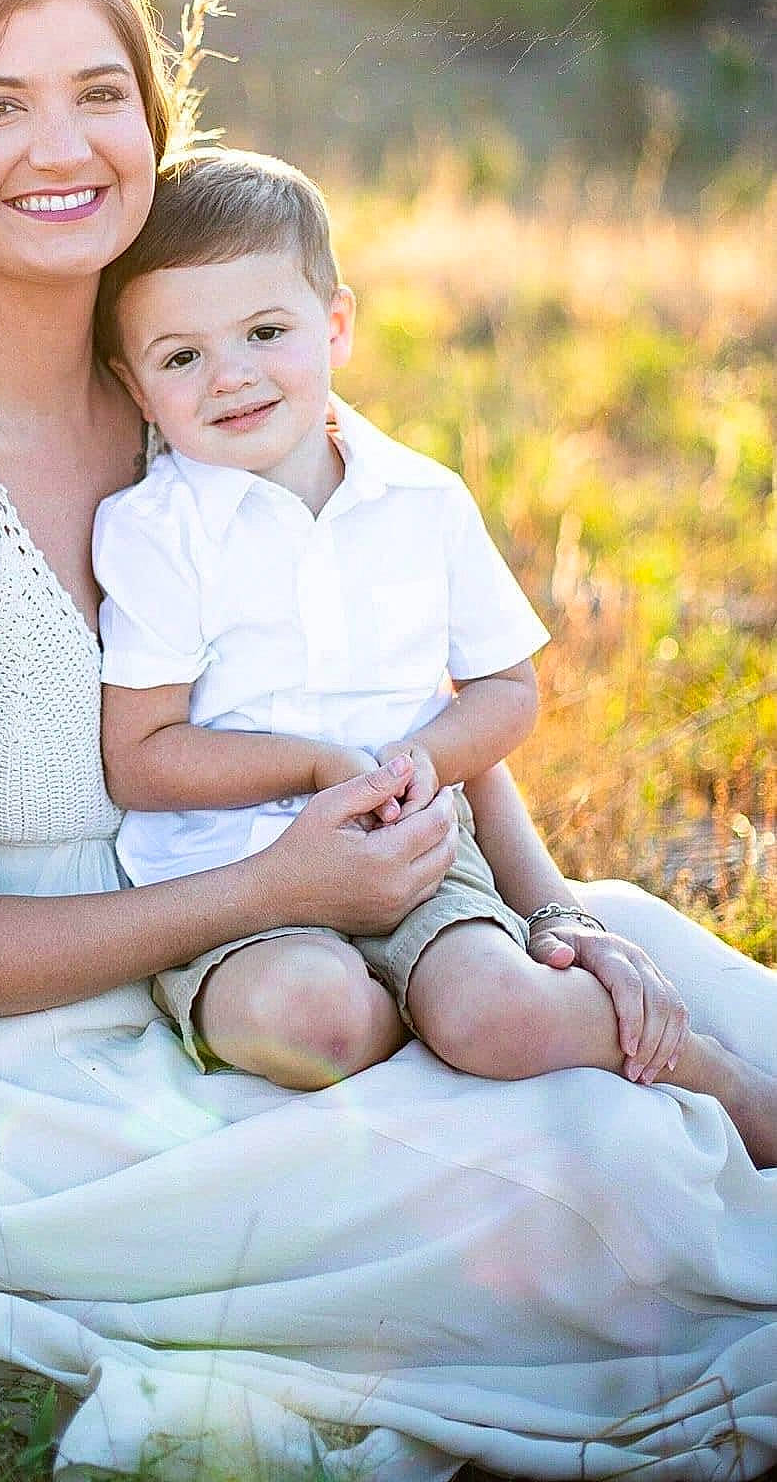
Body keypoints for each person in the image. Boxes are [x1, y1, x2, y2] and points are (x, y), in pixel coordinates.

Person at [0, 0, 777, 1480]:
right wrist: (277, 890)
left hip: (256, 927)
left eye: (98, 92)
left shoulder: (182, 380)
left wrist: (547, 914)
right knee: (605, 1177)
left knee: (672, 980)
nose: (64, 145)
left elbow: (383, 689)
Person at [92, 146, 777, 1163]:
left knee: (498, 1009)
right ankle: (409, 1036)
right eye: (180, 356)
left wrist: (421, 761)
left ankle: (708, 1072)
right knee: (311, 1019)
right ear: (134, 385)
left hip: (413, 846)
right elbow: (141, 756)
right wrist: (317, 767)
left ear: (335, 324)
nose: (230, 374)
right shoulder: (154, 530)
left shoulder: (421, 499)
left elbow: (505, 687)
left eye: (266, 332)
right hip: (232, 876)